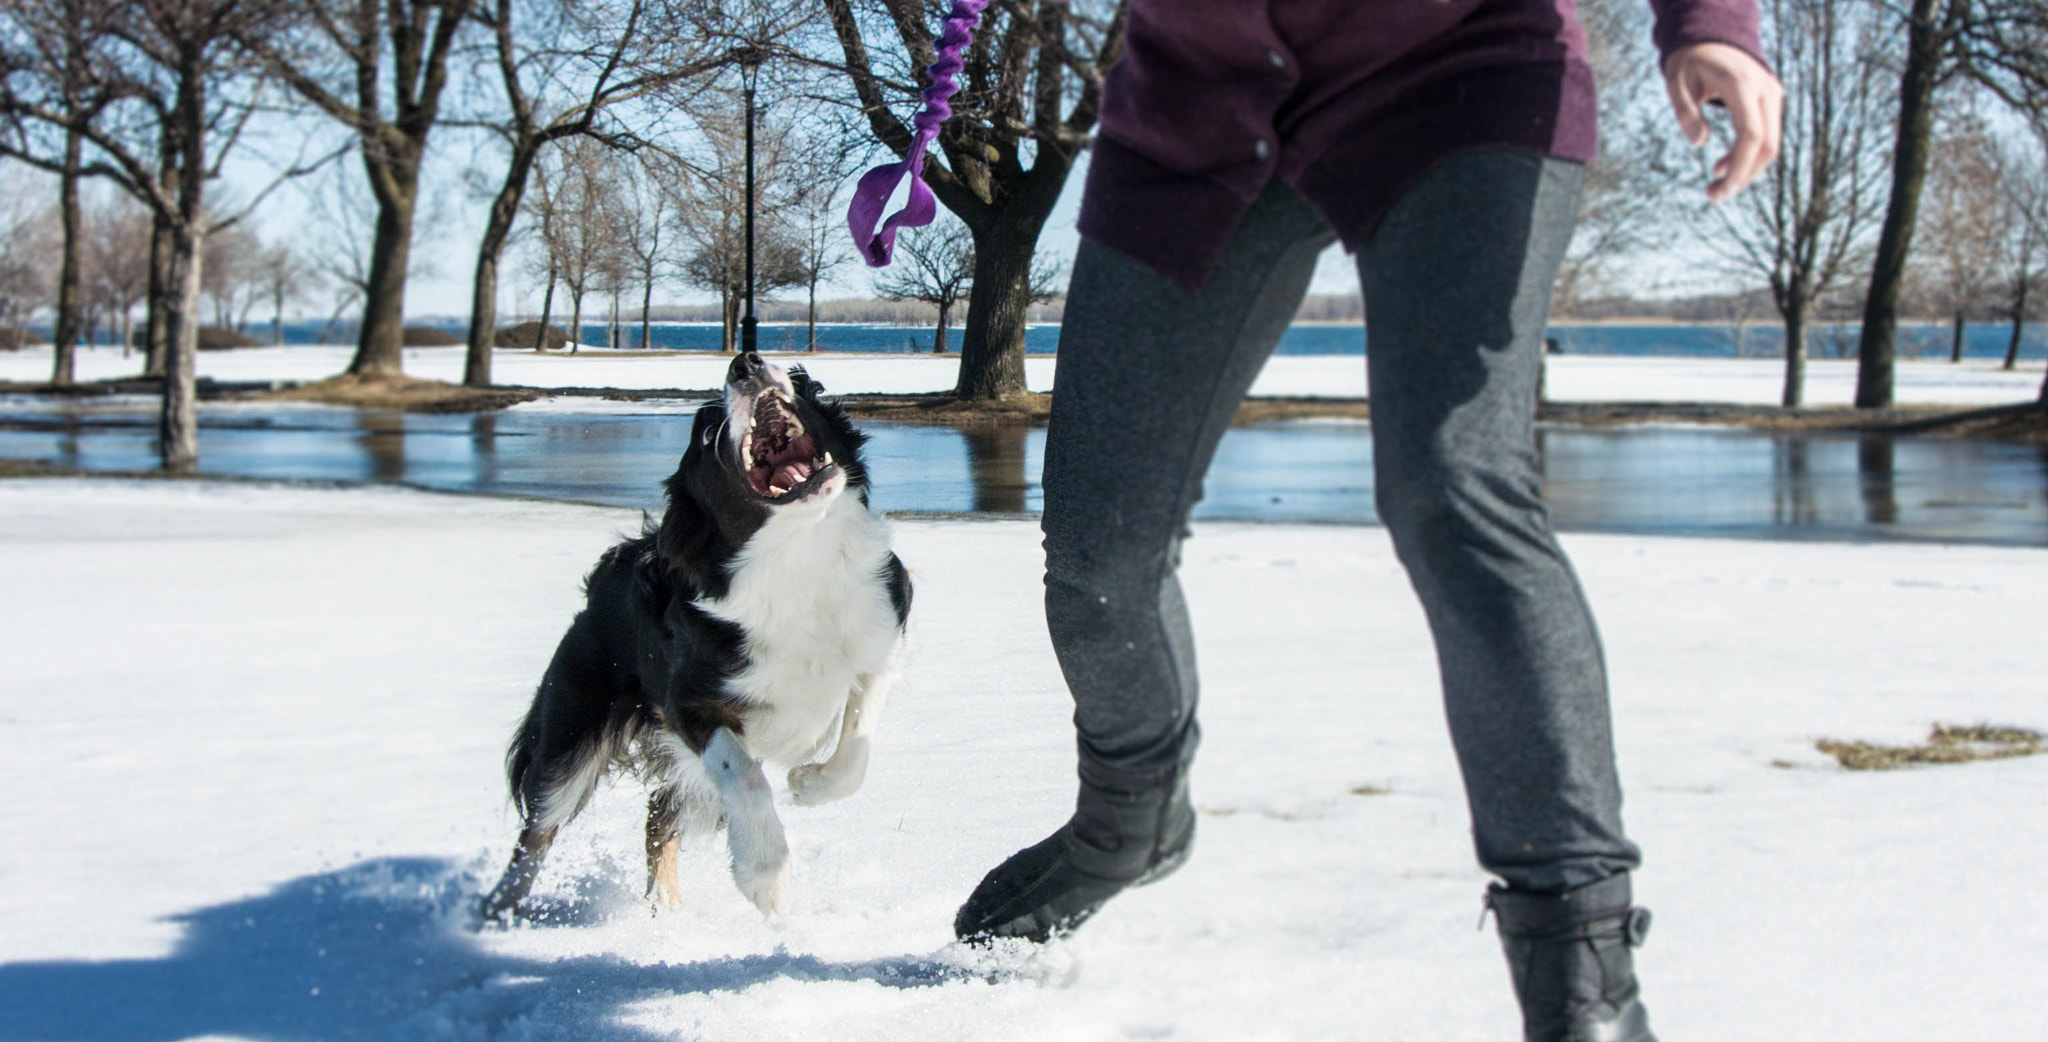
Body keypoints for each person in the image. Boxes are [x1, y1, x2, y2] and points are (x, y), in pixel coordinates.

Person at [950, 3, 1783, 1040]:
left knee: (1453, 482)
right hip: (1192, 97)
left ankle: (1582, 973)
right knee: (1097, 551)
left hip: (1456, 60)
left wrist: (1709, 21)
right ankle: (1129, 817)